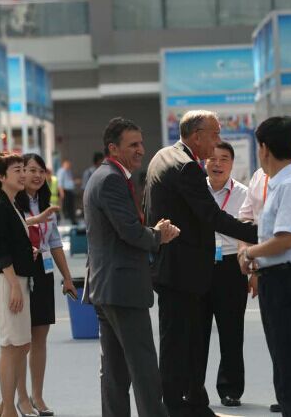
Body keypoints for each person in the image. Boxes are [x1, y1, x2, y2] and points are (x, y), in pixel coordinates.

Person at [144, 110, 257, 417]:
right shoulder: (186, 168)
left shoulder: (162, 157)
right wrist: (261, 233)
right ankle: (175, 406)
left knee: (189, 341)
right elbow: (213, 217)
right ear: (197, 136)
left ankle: (194, 402)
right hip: (182, 271)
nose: (218, 140)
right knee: (178, 343)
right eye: (215, 134)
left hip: (175, 267)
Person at [84, 117, 180, 417]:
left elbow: (120, 230)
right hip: (122, 289)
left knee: (115, 370)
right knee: (143, 367)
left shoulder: (104, 176)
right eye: (133, 144)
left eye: (141, 143)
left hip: (108, 287)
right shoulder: (111, 179)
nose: (141, 150)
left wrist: (151, 232)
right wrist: (158, 235)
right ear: (113, 148)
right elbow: (130, 232)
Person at [237, 116, 291, 417]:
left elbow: (286, 238)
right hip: (283, 278)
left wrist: (249, 253)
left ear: (264, 148)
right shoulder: (287, 182)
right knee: (289, 361)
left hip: (287, 281)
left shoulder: (288, 184)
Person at [0, 152, 56, 417]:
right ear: (1, 177)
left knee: (22, 344)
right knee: (11, 346)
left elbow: (15, 235)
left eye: (24, 169)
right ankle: (9, 408)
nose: (24, 175)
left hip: (19, 280)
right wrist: (14, 284)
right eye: (18, 170)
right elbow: (0, 249)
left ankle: (3, 406)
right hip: (8, 282)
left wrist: (28, 250)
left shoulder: (12, 204)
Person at [15, 153, 78, 416]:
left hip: (43, 270)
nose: (37, 175)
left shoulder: (47, 206)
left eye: (41, 171)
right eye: (31, 170)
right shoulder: (11, 203)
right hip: (18, 272)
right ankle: (21, 398)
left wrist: (67, 277)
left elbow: (54, 243)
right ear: (21, 173)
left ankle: (37, 396)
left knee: (40, 338)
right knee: (20, 340)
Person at [203, 141, 251, 408]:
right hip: (200, 265)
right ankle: (193, 389)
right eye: (212, 158)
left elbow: (250, 230)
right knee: (196, 331)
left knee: (232, 331)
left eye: (224, 159)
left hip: (232, 266)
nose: (217, 164)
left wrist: (253, 269)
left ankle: (231, 389)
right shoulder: (196, 191)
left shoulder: (243, 193)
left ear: (232, 164)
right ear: (204, 162)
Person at [56, 159, 77, 225]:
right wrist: (61, 192)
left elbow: (69, 181)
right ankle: (67, 221)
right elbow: (60, 183)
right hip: (65, 191)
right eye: (67, 164)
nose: (69, 165)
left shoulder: (69, 171)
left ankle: (72, 220)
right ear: (64, 164)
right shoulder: (61, 171)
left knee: (71, 207)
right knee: (66, 207)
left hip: (70, 191)